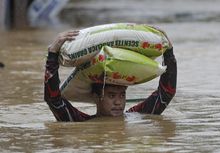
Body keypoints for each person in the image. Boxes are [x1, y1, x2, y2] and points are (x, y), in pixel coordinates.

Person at [44, 29, 177, 122]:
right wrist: (53, 53)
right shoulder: (80, 121)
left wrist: (168, 51)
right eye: (111, 95)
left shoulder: (137, 116)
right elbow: (53, 99)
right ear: (96, 97)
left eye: (122, 95)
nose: (118, 102)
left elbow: (165, 94)